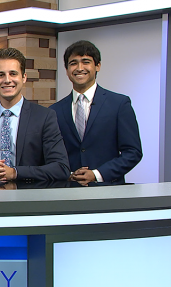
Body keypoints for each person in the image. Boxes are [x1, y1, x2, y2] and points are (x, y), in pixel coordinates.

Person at [0, 48, 70, 182]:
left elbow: (60, 168)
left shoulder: (44, 117)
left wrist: (14, 172)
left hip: (29, 197)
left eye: (13, 74)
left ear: (24, 78)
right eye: (0, 75)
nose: (7, 80)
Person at [50, 40, 142, 185]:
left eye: (86, 62)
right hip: (67, 192)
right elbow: (50, 156)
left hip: (108, 191)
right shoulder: (54, 111)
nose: (79, 68)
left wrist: (96, 174)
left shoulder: (119, 104)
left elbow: (133, 152)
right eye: (73, 63)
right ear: (67, 69)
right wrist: (67, 174)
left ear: (97, 66)